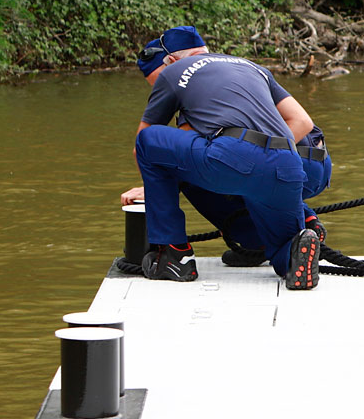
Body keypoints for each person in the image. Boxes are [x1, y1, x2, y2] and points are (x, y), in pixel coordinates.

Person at [120, 26, 323, 289]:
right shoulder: (250, 66)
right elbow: (301, 121)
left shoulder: (173, 72)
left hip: (232, 154)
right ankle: (295, 254)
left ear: (170, 60)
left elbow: (143, 146)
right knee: (284, 247)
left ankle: (173, 255)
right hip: (289, 163)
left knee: (150, 141)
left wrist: (154, 189)